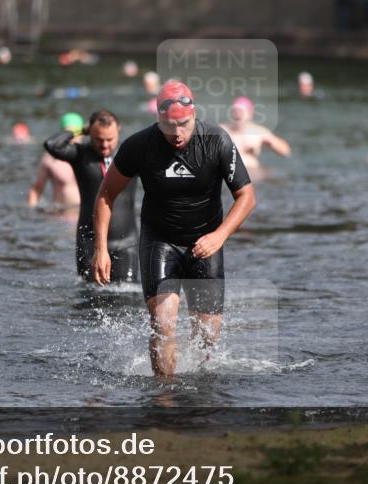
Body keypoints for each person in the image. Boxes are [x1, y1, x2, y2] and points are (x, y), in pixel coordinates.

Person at [92, 81, 256, 379]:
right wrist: (101, 248)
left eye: (184, 124)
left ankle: (199, 391)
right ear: (158, 119)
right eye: (169, 126)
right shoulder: (140, 145)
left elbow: (247, 196)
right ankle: (163, 399)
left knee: (208, 335)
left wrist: (219, 236)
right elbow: (105, 195)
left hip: (207, 242)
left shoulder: (217, 141)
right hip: (160, 242)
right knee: (163, 325)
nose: (177, 133)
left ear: (194, 117)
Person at [44, 110, 139, 282]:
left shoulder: (130, 153)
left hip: (126, 243)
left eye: (110, 139)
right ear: (90, 134)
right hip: (89, 242)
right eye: (99, 139)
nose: (105, 145)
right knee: (90, 296)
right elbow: (52, 145)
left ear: (118, 130)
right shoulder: (81, 154)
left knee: (127, 295)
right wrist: (80, 130)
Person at [220, 96, 291, 173]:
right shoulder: (222, 131)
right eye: (235, 111)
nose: (238, 114)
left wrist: (272, 144)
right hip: (227, 173)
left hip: (252, 173)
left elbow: (286, 151)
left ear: (250, 114)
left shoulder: (258, 133)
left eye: (241, 112)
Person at [28, 113, 82, 211]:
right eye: (68, 133)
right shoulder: (50, 159)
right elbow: (37, 189)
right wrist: (31, 212)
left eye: (76, 132)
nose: (72, 137)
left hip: (82, 214)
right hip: (59, 215)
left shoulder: (91, 155)